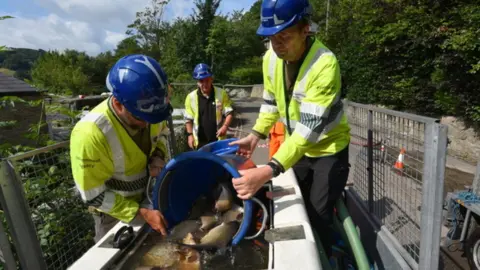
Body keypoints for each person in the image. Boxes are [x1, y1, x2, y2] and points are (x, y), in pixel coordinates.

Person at [229, 0, 351, 259]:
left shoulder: (324, 65)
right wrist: (255, 135)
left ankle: (326, 255)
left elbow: (307, 132)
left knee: (317, 214)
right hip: (298, 150)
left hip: (328, 149)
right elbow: (271, 103)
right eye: (271, 38)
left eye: (284, 36)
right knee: (296, 203)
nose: (277, 45)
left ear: (306, 29)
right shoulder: (271, 58)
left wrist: (268, 169)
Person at [70, 54, 172, 242]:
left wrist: (158, 155)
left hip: (148, 198)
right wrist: (139, 213)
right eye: (141, 118)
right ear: (118, 104)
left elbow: (163, 133)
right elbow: (93, 196)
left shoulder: (150, 110)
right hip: (112, 214)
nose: (147, 124)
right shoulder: (90, 134)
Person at [184, 63, 234, 149]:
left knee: (218, 162)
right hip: (200, 142)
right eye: (201, 81)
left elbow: (229, 113)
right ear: (197, 82)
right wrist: (190, 136)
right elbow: (188, 119)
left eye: (207, 80)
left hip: (218, 141)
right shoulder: (190, 97)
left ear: (211, 79)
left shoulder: (221, 93)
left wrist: (225, 127)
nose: (204, 84)